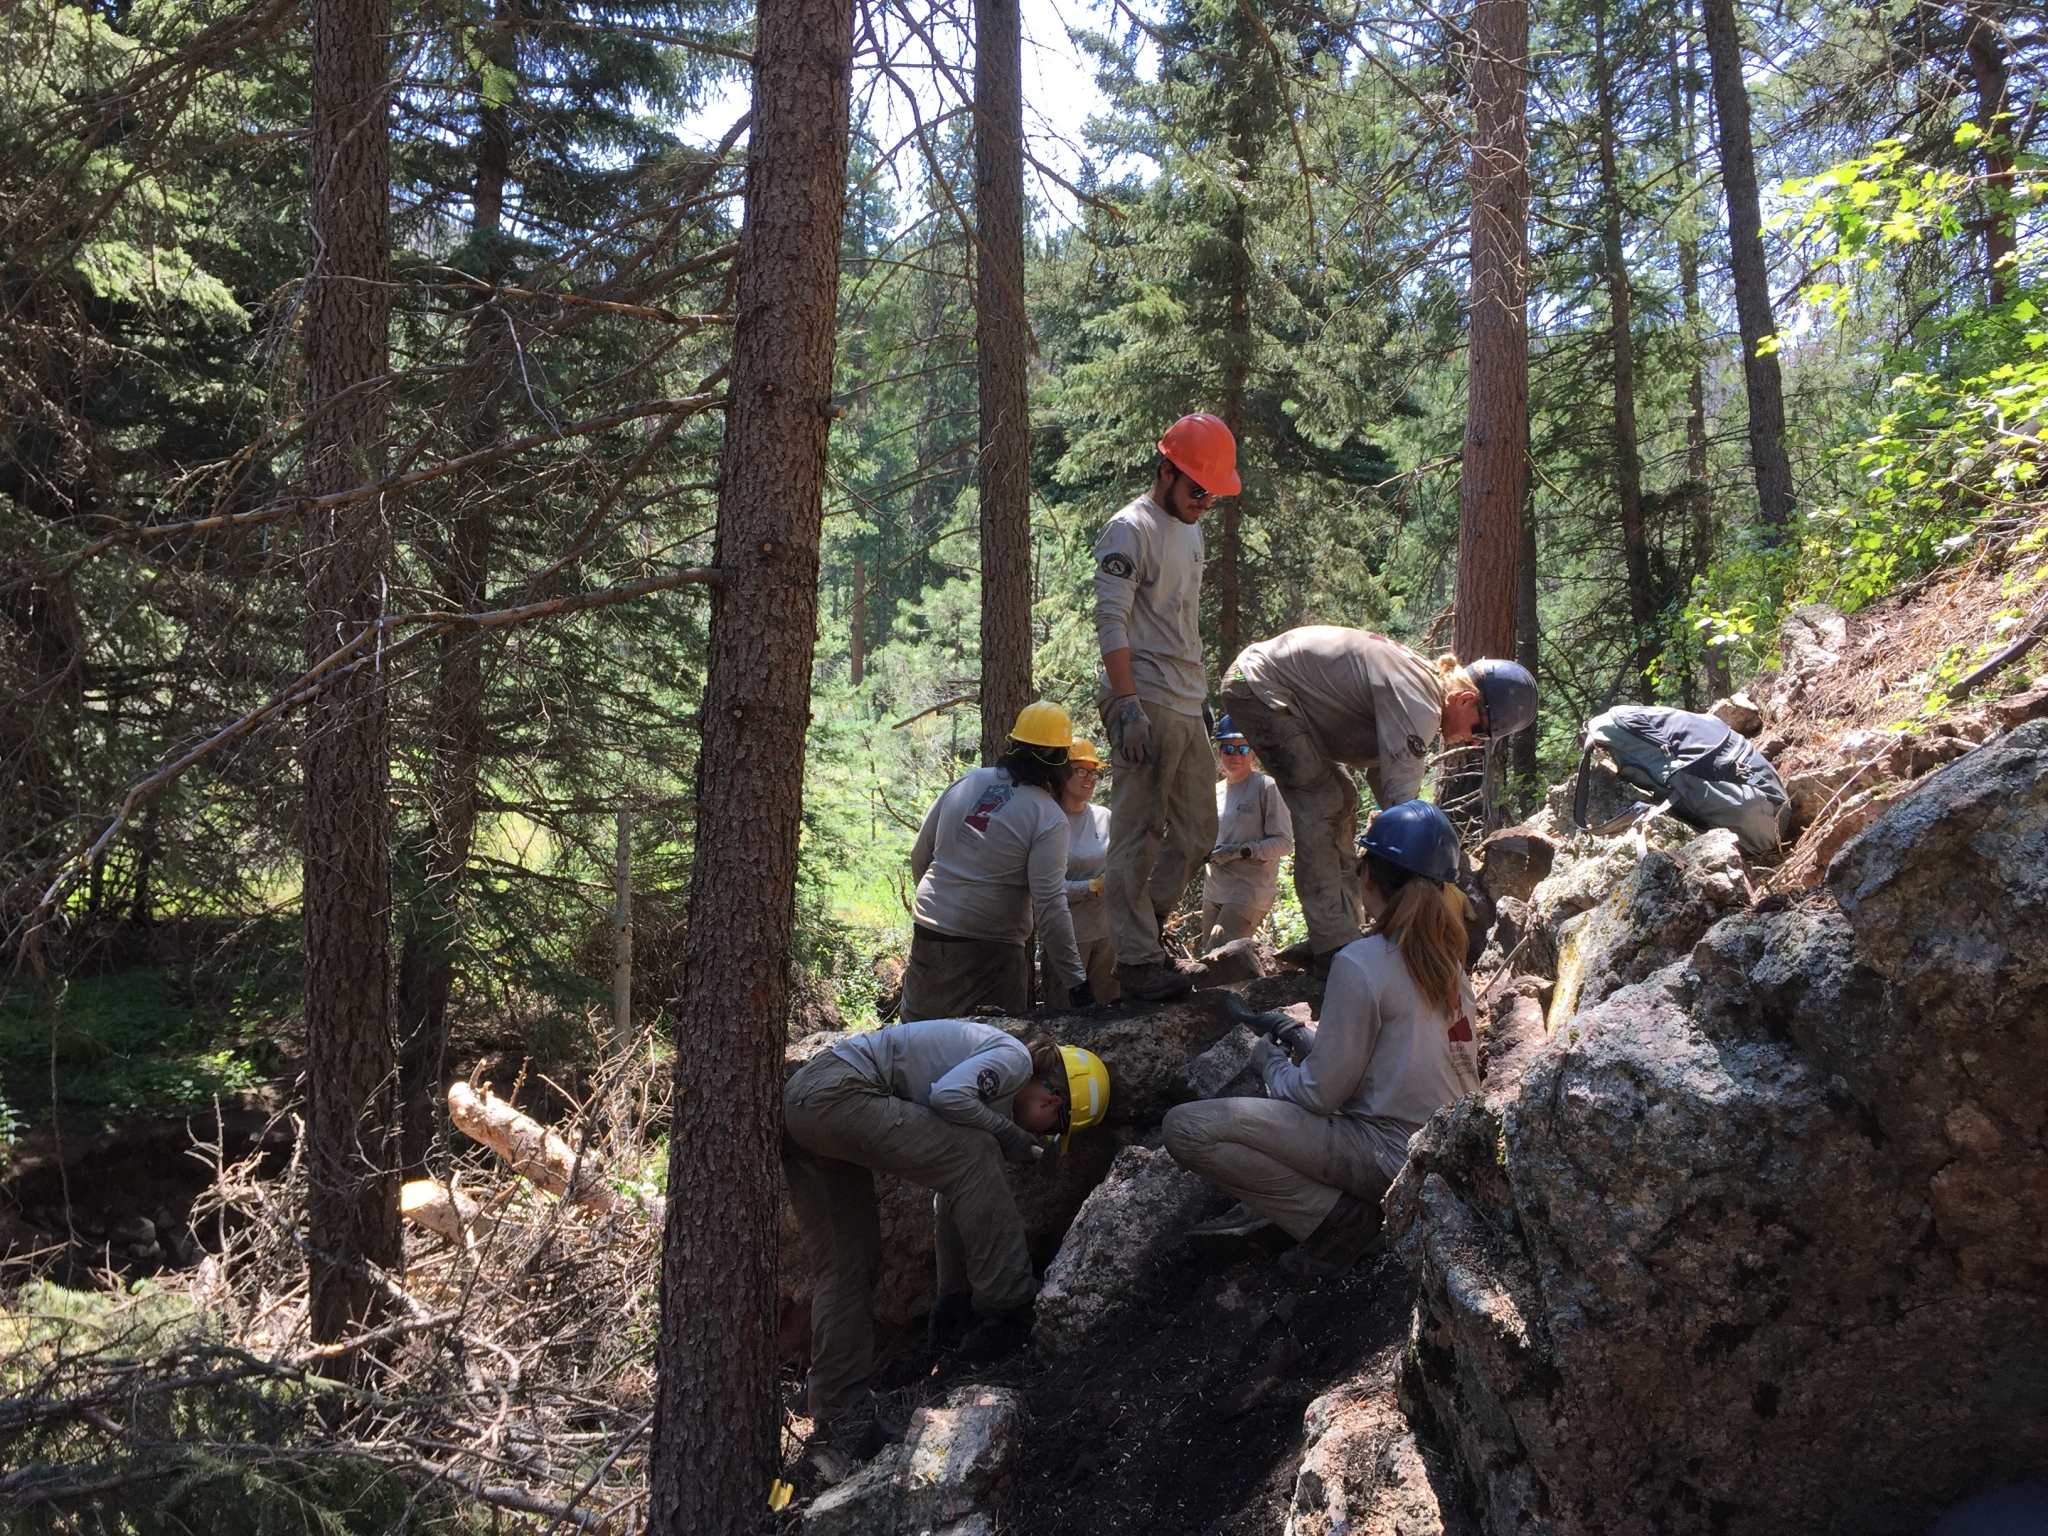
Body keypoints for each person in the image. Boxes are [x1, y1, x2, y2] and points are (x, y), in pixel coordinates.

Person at [1162, 800, 1481, 1278]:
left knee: (1184, 1127)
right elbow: (1391, 1061)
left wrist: (1267, 1061)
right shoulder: (1448, 964)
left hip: (1389, 1155)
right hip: (1445, 1152)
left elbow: (1318, 1094)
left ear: (1368, 876)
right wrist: (1302, 1035)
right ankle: (1343, 1212)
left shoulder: (1361, 960)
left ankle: (1340, 1222)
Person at [783, 1019, 1111, 1453]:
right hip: (840, 1091)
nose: (1041, 1137)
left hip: (803, 1103)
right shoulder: (1011, 1060)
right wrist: (1009, 1136)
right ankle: (1010, 1297)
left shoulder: (990, 1085)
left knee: (849, 1262)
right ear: (1054, 1099)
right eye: (1052, 1128)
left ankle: (835, 1410)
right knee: (977, 1152)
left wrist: (949, 1294)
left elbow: (951, 1191)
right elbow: (949, 1097)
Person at [1220, 627, 1535, 971]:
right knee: (1321, 802)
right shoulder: (1419, 704)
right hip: (1257, 684)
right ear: (1464, 700)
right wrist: (1448, 878)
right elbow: (1404, 814)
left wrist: (1451, 865)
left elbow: (1386, 784)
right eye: (1480, 730)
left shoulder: (1424, 688)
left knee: (1341, 797)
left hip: (1268, 683)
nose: (1475, 742)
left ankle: (1341, 929)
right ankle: (1332, 945)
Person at [1096, 412, 1240, 1002]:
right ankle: (1135, 962)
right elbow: (1111, 619)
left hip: (1185, 696)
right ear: (1166, 473)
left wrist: (1201, 698)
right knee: (1138, 827)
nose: (1205, 501)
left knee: (1199, 830)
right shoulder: (1129, 529)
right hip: (1144, 693)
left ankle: (1144, 931)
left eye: (1212, 493)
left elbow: (1184, 621)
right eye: (1197, 489)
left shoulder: (1192, 528)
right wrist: (1127, 705)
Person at [905, 702, 1094, 1020]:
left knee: (913, 1041)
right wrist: (1077, 983)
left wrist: (942, 910)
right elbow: (1050, 907)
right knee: (990, 1050)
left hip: (929, 934)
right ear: (1061, 761)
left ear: (1013, 745)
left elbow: (919, 854)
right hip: (990, 952)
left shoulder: (968, 782)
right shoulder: (1046, 815)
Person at [1200, 714, 1293, 949]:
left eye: (1243, 749)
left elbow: (1284, 842)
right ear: (1219, 750)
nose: (1235, 756)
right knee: (1207, 958)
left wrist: (1238, 851)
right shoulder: (1214, 791)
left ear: (1253, 752)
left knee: (1216, 954)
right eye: (1229, 748)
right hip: (1214, 890)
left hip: (1249, 892)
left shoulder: (1266, 787)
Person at [1044, 738, 1119, 1007]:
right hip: (1066, 939)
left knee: (1107, 1012)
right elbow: (1045, 888)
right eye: (1081, 770)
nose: (1089, 778)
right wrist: (1089, 887)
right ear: (1062, 773)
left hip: (1107, 934)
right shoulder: (1047, 819)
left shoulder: (1104, 817)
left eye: (1093, 771)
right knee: (1063, 1015)